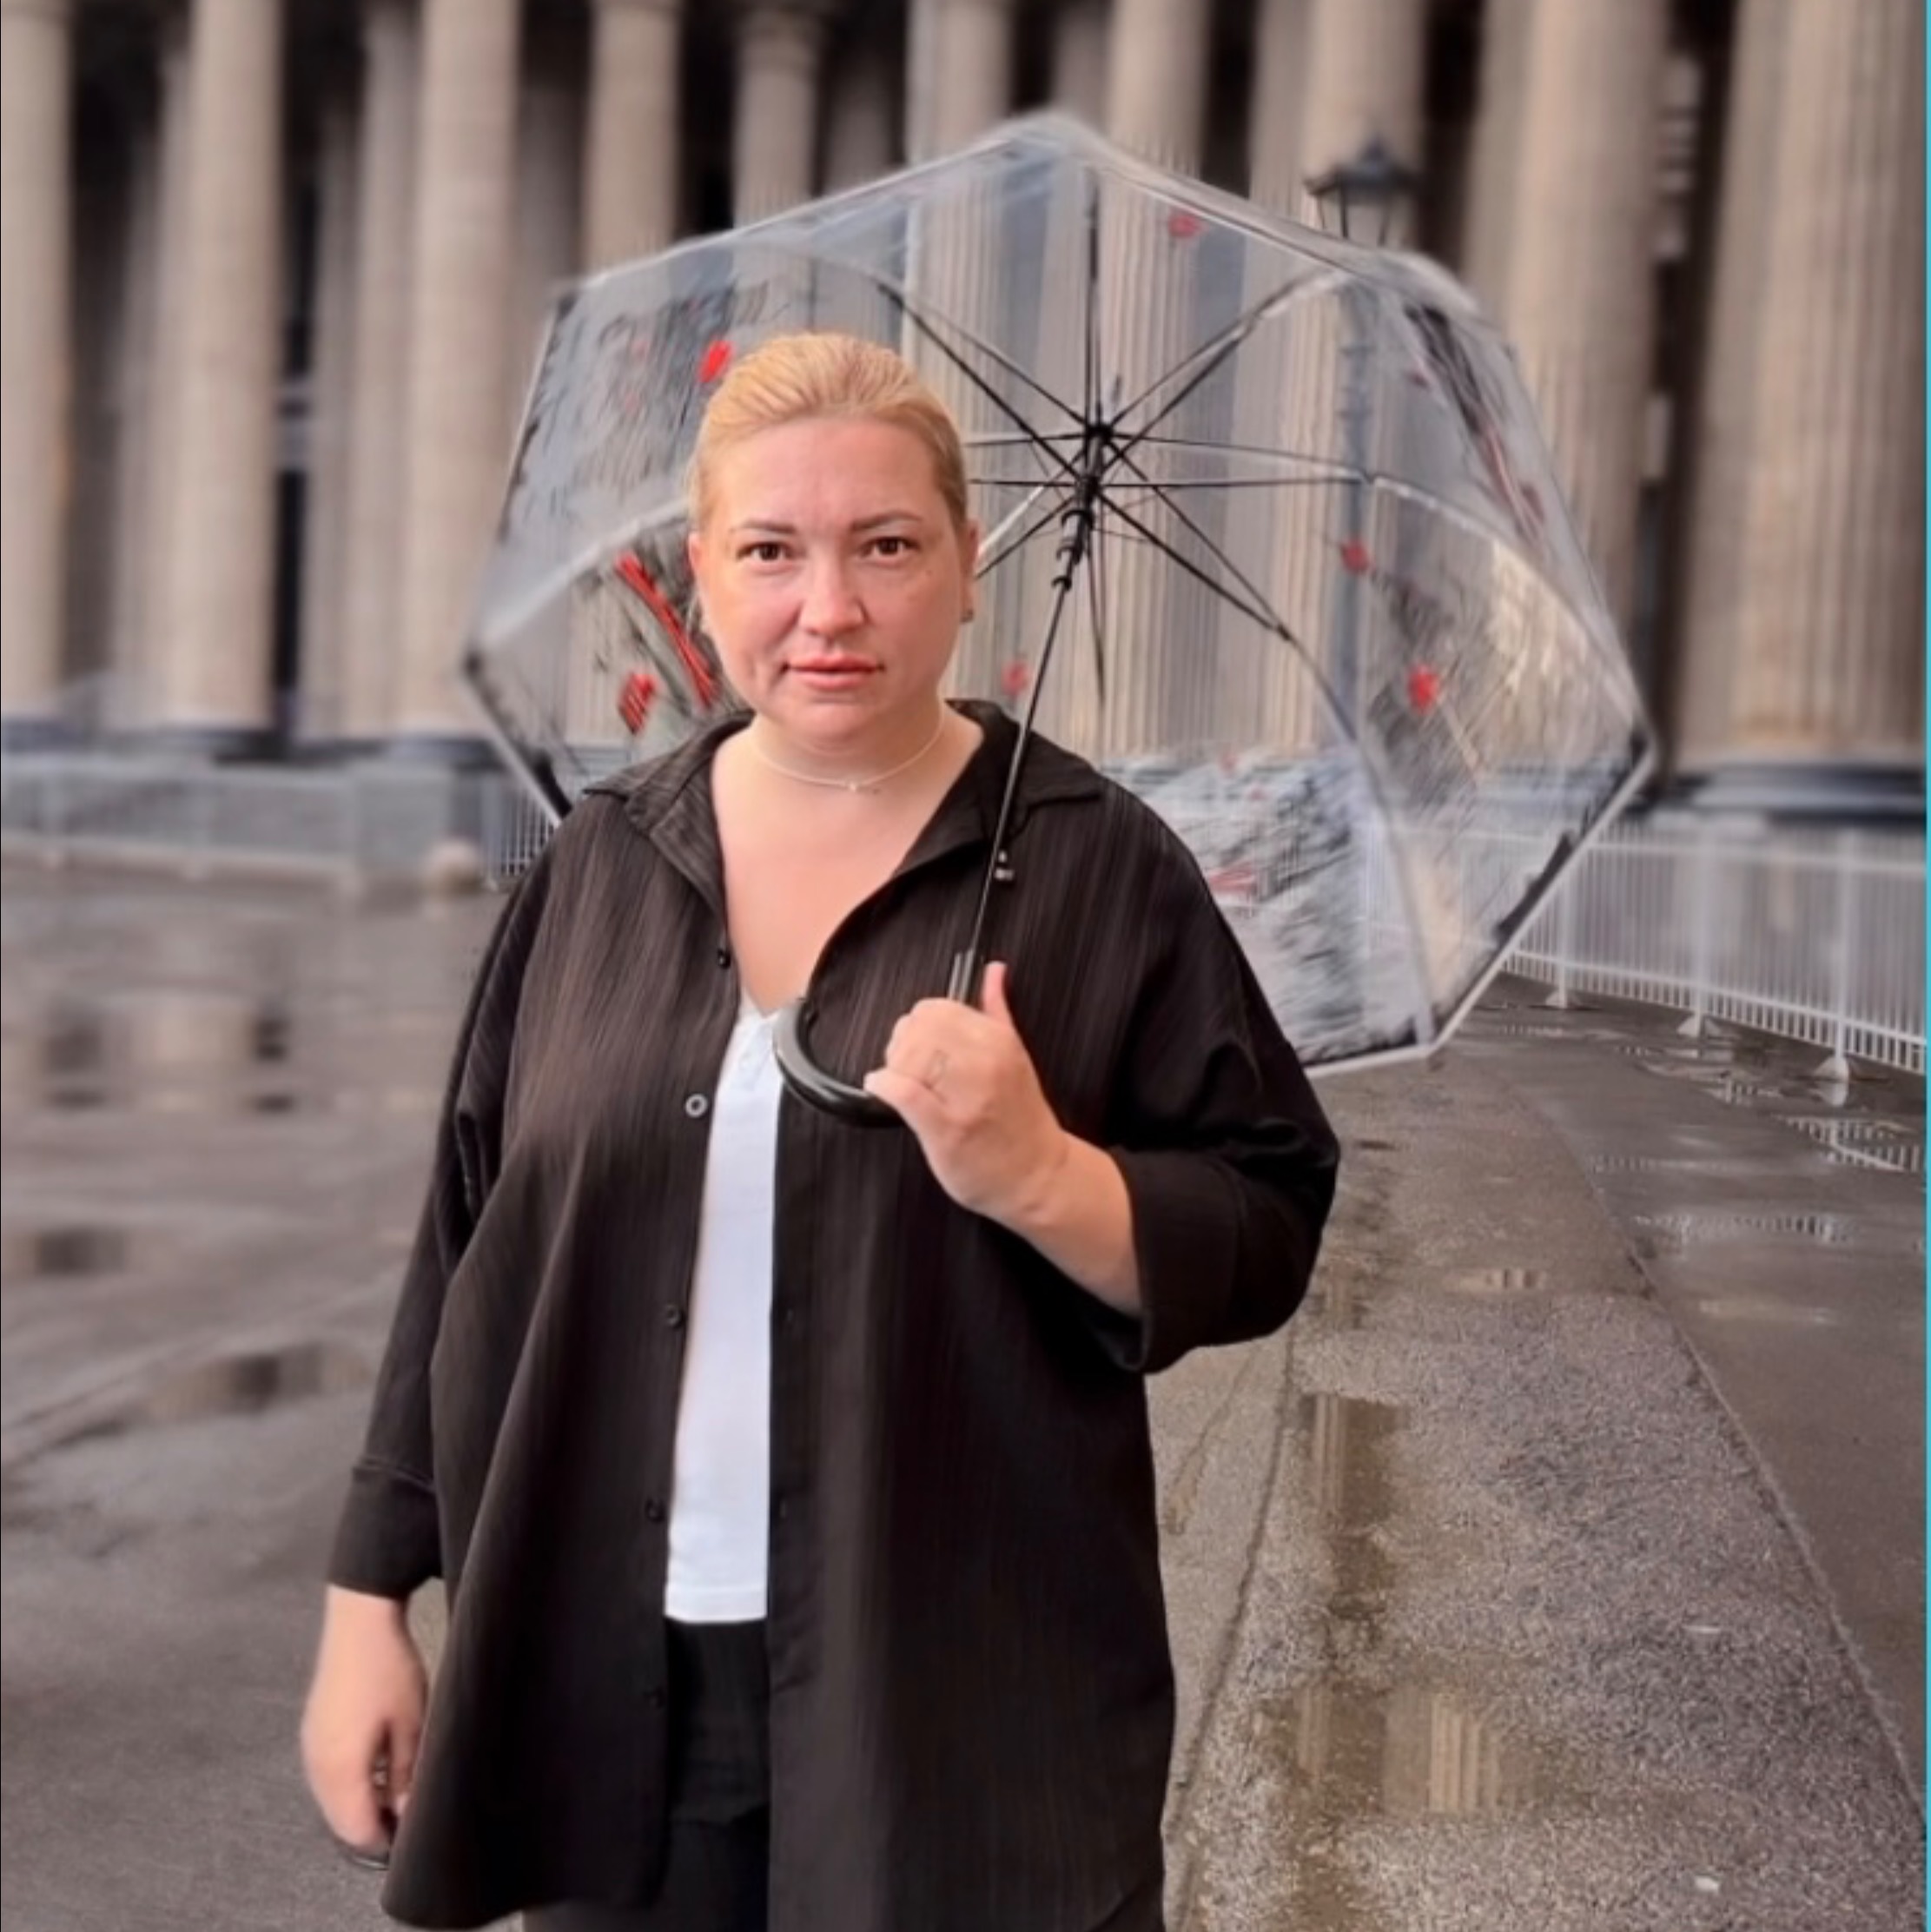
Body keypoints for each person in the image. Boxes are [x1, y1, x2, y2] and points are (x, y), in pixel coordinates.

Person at [300, 332, 1340, 1932]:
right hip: (617, 1694)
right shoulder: (603, 862)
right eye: (773, 551)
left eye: (888, 547)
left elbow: (1267, 1218)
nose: (830, 608)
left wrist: (1047, 1178)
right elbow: (468, 1231)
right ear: (700, 574)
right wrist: (370, 1597)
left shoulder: (1098, 866)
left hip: (962, 1715)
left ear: (968, 565)